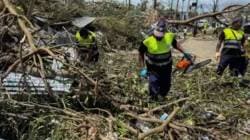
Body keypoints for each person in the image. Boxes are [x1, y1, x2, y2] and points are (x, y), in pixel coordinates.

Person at [138, 20, 191, 101]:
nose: (159, 37)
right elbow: (140, 53)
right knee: (153, 84)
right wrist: (142, 68)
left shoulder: (169, 36)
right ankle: (153, 100)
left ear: (165, 32)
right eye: (157, 35)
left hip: (166, 66)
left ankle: (161, 98)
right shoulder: (147, 41)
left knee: (166, 86)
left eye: (161, 36)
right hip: (153, 67)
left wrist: (184, 52)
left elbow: (176, 44)